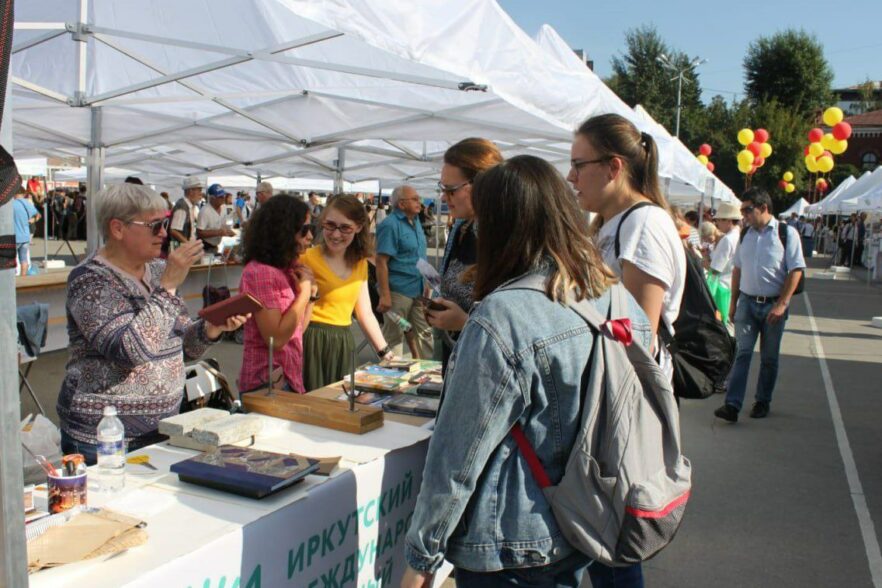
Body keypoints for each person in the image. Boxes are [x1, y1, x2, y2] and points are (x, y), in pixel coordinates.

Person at [402, 155, 651, 588]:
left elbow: (458, 453)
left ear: (501, 225)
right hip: (583, 516)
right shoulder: (614, 297)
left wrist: (422, 556)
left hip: (511, 538)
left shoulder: (503, 316)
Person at [568, 112, 685, 588]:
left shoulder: (644, 225)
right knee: (600, 540)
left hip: (622, 409)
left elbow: (637, 334)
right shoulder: (613, 225)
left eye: (579, 165)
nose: (570, 177)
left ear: (614, 167)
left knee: (612, 547)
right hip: (607, 403)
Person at [57, 184, 247, 464]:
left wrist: (211, 329)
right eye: (155, 225)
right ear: (118, 229)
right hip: (105, 438)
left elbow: (181, 349)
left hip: (164, 427)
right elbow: (130, 351)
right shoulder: (89, 280)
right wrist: (168, 286)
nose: (164, 233)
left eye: (166, 222)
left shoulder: (158, 270)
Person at [714, 188, 805, 422]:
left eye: (748, 210)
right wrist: (733, 303)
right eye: (742, 210)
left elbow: (796, 270)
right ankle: (732, 405)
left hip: (773, 304)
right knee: (742, 353)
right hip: (747, 302)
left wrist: (782, 304)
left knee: (769, 357)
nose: (743, 215)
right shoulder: (746, 234)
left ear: (764, 208)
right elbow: (737, 270)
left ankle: (762, 401)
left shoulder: (786, 233)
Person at [300, 195, 395, 390]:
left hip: (343, 343)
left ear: (359, 227)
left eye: (345, 228)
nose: (336, 234)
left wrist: (385, 352)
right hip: (311, 343)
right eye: (330, 225)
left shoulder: (359, 264)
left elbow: (365, 313)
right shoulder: (305, 259)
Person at [425, 137, 503, 371]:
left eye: (450, 190)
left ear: (481, 184)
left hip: (485, 369)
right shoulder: (462, 227)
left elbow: (517, 327)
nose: (443, 198)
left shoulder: (505, 238)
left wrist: (465, 322)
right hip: (457, 359)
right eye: (442, 189)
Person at [238, 196, 316, 394]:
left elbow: (296, 331)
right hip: (267, 384)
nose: (310, 237)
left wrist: (311, 297)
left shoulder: (286, 269)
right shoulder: (261, 273)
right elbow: (276, 339)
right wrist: (304, 295)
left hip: (289, 377)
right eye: (304, 230)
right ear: (284, 231)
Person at [375, 184, 433, 358]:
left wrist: (428, 280)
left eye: (419, 198)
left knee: (425, 334)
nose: (420, 202)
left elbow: (419, 255)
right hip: (397, 291)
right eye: (415, 199)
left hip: (418, 289)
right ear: (401, 204)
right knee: (395, 338)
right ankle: (393, 377)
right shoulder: (390, 225)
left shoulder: (416, 222)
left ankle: (429, 378)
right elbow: (381, 261)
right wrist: (385, 295)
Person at [710, 201, 742, 290]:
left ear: (728, 220)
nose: (717, 223)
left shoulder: (727, 239)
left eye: (718, 220)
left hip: (721, 286)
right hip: (731, 285)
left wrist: (702, 261)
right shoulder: (738, 236)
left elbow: (715, 269)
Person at [196, 184, 236, 254]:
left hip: (214, 246)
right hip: (204, 247)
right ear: (212, 198)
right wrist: (218, 232)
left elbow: (223, 224)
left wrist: (228, 231)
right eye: (220, 197)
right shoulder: (205, 211)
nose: (223, 198)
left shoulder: (223, 207)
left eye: (223, 196)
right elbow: (199, 233)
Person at [168, 177, 204, 250]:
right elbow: (174, 230)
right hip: (181, 249)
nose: (201, 193)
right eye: (199, 190)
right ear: (191, 191)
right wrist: (188, 245)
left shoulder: (189, 206)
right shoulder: (182, 206)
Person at [13, 187, 40, 277]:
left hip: (14, 236)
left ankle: (12, 279)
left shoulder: (11, 204)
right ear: (23, 193)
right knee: (23, 259)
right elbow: (38, 215)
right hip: (25, 236)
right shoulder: (26, 203)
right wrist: (32, 220)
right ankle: (23, 278)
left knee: (10, 260)